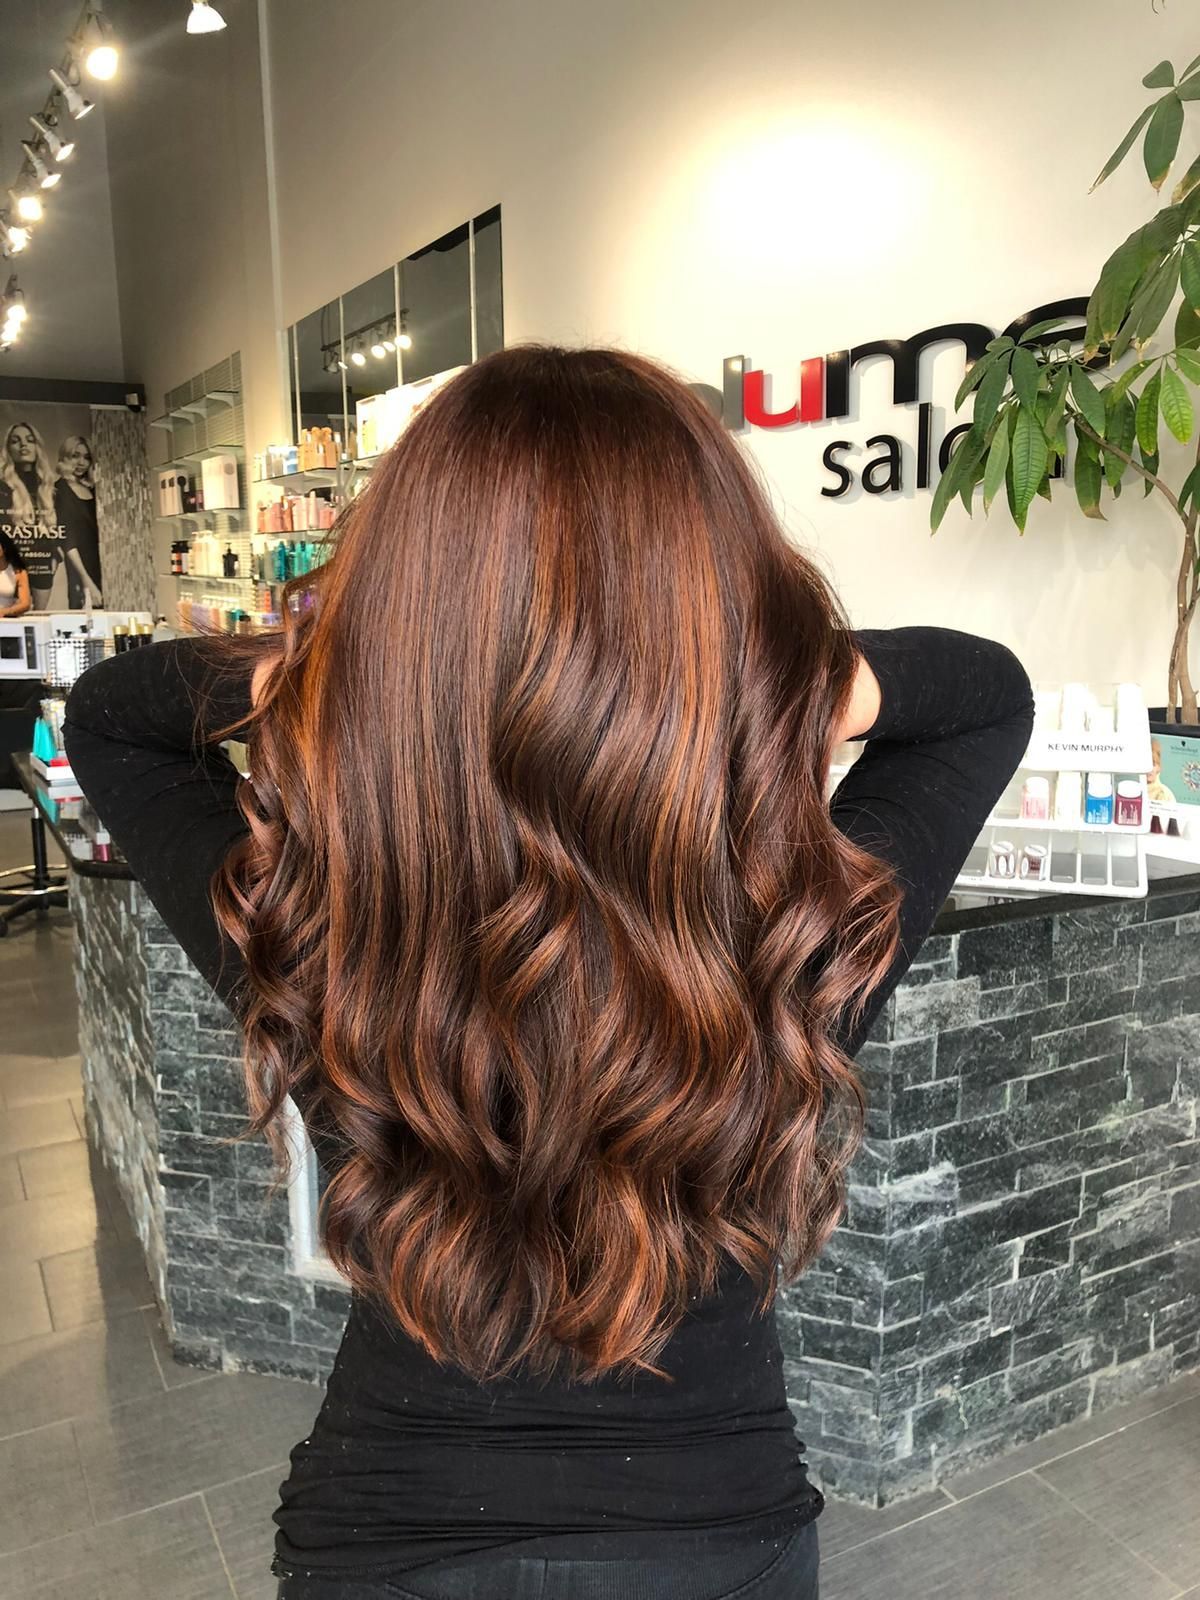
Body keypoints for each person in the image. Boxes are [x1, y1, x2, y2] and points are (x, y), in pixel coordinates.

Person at [62, 347, 1034, 1600]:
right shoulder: (786, 943)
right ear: (726, 607)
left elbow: (116, 715)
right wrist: (756, 678)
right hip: (712, 1541)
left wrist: (362, 677)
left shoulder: (331, 938)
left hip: (386, 1537)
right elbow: (980, 695)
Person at [0, 421, 64, 609]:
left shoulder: (50, 487)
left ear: (38, 447)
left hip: (43, 562)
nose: (23, 445)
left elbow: (62, 527)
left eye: (29, 440)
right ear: (8, 449)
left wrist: (55, 557)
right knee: (12, 618)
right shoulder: (3, 486)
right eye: (16, 441)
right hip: (11, 563)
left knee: (40, 618)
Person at [53, 435, 103, 609]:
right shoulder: (60, 490)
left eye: (86, 457)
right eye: (75, 456)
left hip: (101, 562)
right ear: (64, 457)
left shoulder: (93, 489)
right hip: (80, 568)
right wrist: (86, 580)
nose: (81, 462)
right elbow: (68, 541)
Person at [0, 530, 31, 617]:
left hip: (6, 622)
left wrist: (5, 612)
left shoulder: (18, 572)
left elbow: (25, 604)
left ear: (4, 547)